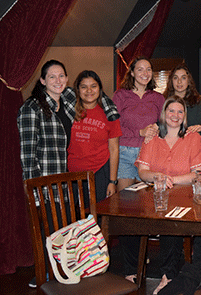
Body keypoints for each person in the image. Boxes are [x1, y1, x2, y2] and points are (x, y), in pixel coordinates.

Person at [17, 59, 119, 288]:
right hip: (45, 180)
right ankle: (44, 273)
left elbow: (99, 98)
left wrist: (112, 114)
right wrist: (35, 189)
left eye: (61, 76)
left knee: (66, 228)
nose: (57, 81)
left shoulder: (68, 99)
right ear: (42, 81)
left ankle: (67, 270)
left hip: (67, 177)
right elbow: (27, 154)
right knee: (48, 228)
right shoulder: (31, 108)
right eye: (51, 77)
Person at [131, 96, 201, 294]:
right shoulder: (152, 137)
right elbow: (142, 171)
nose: (175, 115)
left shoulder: (194, 138)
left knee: (171, 221)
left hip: (184, 197)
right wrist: (157, 177)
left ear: (185, 116)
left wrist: (171, 180)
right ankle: (129, 273)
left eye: (180, 112)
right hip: (153, 197)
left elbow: (199, 173)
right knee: (126, 219)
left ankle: (168, 277)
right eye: (171, 111)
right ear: (164, 114)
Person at [67, 70, 122, 204]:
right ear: (77, 90)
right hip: (71, 174)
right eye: (84, 87)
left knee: (97, 218)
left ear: (99, 89)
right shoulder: (69, 111)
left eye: (93, 86)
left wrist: (112, 181)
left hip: (99, 173)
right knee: (75, 219)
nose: (89, 90)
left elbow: (114, 149)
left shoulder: (110, 114)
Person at [112, 57, 165, 191]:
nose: (145, 73)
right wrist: (139, 132)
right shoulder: (120, 95)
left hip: (150, 152)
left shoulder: (158, 98)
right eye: (140, 69)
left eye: (148, 69)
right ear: (132, 73)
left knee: (146, 201)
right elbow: (113, 127)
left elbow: (166, 125)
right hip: (125, 152)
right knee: (124, 200)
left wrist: (157, 127)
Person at [163, 62, 201, 132]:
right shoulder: (163, 101)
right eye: (175, 78)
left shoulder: (198, 102)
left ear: (188, 81)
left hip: (192, 141)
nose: (179, 81)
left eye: (183, 78)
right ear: (171, 81)